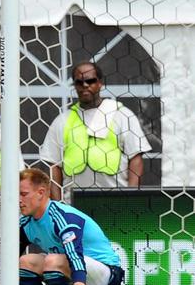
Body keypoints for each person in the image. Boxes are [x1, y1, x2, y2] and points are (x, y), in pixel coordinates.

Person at [16, 168, 123, 285]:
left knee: (53, 260)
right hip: (71, 272)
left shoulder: (61, 216)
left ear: (41, 193)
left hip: (106, 275)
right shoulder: (26, 223)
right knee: (24, 262)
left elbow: (75, 254)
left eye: (24, 194)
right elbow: (3, 261)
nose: (19, 200)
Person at [39, 61, 151, 202]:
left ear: (100, 83)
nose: (85, 85)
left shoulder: (121, 115)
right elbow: (53, 165)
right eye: (79, 82)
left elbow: (135, 157)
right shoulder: (62, 120)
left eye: (90, 81)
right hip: (73, 205)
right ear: (74, 86)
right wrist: (59, 206)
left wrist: (130, 199)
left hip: (116, 202)